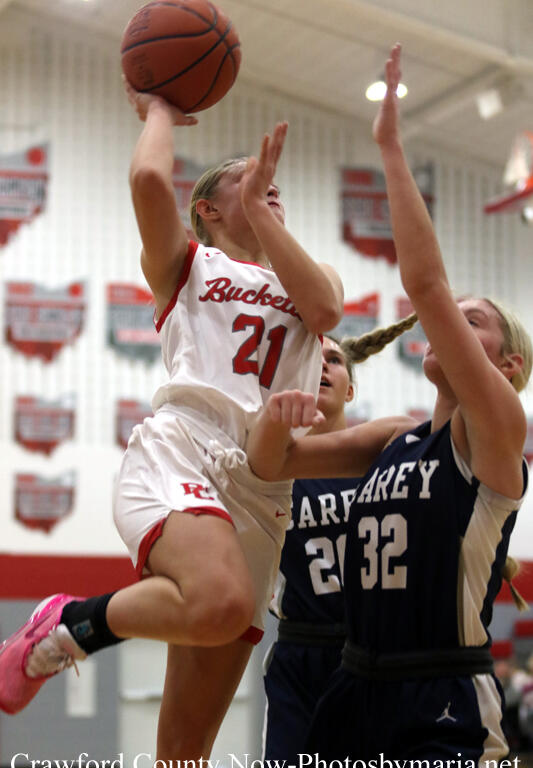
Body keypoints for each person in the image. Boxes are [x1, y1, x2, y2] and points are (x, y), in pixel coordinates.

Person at [0, 81, 344, 763]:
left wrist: (261, 209)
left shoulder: (312, 278)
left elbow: (327, 313)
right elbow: (149, 182)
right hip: (186, 450)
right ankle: (66, 623)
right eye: (248, 179)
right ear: (208, 209)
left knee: (186, 744)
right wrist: (159, 110)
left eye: (272, 184)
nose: (268, 185)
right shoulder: (189, 265)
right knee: (220, 605)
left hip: (264, 489)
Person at [247, 44, 532, 763]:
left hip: (439, 689)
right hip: (352, 684)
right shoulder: (393, 439)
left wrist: (390, 148)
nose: (449, 322)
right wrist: (273, 415)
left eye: (473, 321)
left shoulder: (497, 432)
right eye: (453, 318)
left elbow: (426, 287)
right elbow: (271, 464)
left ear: (508, 366)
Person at [263, 321, 416, 761]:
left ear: (350, 391)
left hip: (380, 650)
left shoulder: (388, 454)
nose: (324, 367)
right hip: (302, 651)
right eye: (312, 360)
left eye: (334, 360)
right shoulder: (269, 468)